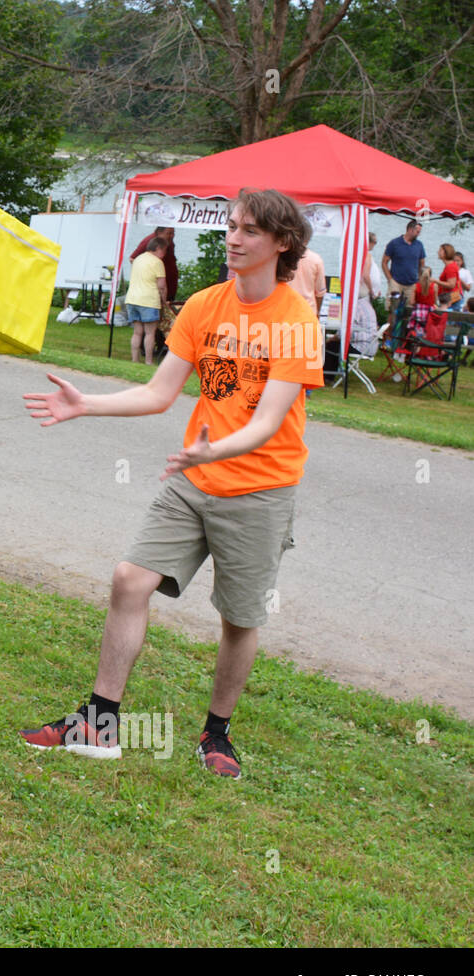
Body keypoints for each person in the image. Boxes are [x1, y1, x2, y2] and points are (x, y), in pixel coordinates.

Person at [20, 188, 323, 779]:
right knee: (129, 579)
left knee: (239, 619)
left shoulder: (295, 321)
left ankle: (216, 732)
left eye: (250, 231)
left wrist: (215, 448)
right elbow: (160, 394)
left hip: (261, 488)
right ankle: (99, 723)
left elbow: (265, 423)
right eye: (232, 226)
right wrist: (87, 405)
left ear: (281, 244)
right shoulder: (205, 305)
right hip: (194, 477)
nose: (234, 238)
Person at [124, 235, 169, 364]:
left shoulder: (138, 259)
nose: (164, 254)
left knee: (137, 332)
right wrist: (164, 302)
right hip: (149, 301)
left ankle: (135, 359)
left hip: (132, 299)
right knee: (150, 333)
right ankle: (148, 361)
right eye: (164, 251)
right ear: (158, 248)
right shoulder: (157, 262)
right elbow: (161, 286)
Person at [129, 225, 179, 301]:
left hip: (170, 282)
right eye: (169, 233)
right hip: (157, 285)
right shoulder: (149, 241)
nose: (172, 236)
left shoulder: (169, 241)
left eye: (173, 233)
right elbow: (132, 258)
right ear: (159, 232)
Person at [381, 219, 424, 304]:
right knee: (392, 308)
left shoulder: (419, 245)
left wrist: (419, 279)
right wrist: (390, 279)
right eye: (417, 232)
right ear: (410, 230)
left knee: (409, 310)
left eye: (419, 232)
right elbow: (384, 262)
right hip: (396, 283)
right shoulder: (394, 243)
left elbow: (422, 264)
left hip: (412, 284)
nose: (419, 234)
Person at [291, 247, 325, 316]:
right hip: (308, 313)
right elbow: (320, 293)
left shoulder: (278, 258)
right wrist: (317, 315)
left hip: (283, 314)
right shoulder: (316, 260)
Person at [435, 243, 461, 308]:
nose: (438, 252)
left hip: (450, 300)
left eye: (440, 250)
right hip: (449, 298)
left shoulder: (450, 267)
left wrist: (435, 281)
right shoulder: (449, 266)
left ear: (446, 253)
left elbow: (451, 285)